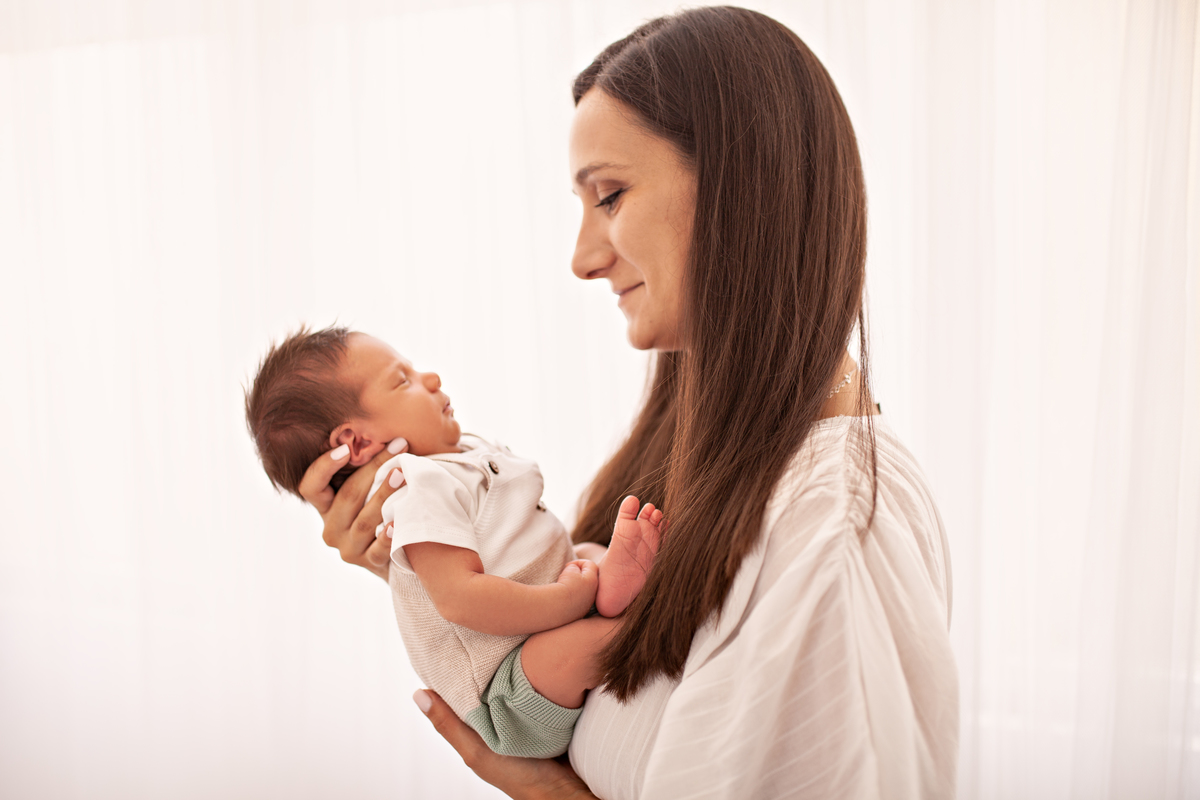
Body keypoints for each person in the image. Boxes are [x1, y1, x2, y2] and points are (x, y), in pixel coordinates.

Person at [299, 6, 959, 798]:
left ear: (742, 188)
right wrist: (422, 561)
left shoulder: (836, 533)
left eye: (608, 196)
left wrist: (548, 793)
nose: (581, 258)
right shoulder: (712, 465)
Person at [245, 326, 662, 758]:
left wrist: (575, 585)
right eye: (402, 380)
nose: (431, 379)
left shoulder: (457, 457)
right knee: (572, 650)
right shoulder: (414, 490)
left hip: (554, 607)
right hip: (511, 694)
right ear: (357, 442)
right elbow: (460, 599)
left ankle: (607, 589)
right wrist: (568, 600)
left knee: (591, 555)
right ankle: (618, 615)